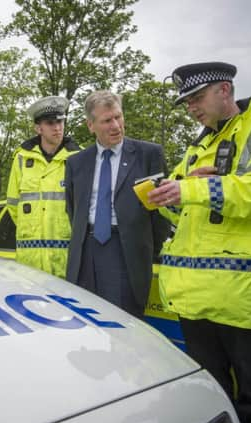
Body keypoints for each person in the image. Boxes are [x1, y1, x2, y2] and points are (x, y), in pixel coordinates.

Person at [148, 62, 251, 423]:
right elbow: (182, 213)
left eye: (196, 98)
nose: (191, 108)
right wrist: (171, 197)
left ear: (225, 90)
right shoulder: (198, 147)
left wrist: (194, 188)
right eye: (186, 101)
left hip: (246, 302)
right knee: (211, 400)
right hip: (196, 300)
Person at [64, 90, 170, 317]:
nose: (116, 126)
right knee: (86, 324)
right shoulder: (76, 163)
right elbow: (73, 210)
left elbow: (160, 213)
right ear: (90, 125)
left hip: (126, 253)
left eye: (118, 117)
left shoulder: (148, 154)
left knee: (123, 325)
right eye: (106, 120)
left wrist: (146, 250)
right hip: (85, 253)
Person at [6, 95, 81, 278]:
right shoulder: (22, 158)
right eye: (50, 123)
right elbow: (13, 204)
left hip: (65, 259)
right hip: (30, 260)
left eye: (60, 122)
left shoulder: (79, 158)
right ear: (38, 128)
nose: (57, 128)